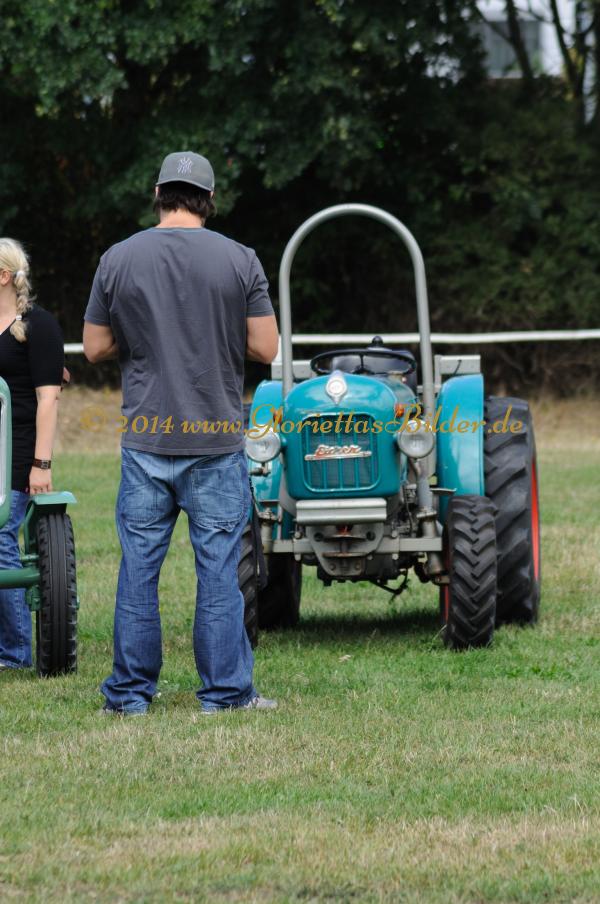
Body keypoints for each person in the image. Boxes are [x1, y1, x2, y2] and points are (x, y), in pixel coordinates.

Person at [83, 151, 279, 715]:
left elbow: (94, 347)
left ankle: (129, 697)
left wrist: (142, 338)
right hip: (215, 440)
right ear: (209, 199)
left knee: (138, 572)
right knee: (218, 573)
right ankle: (225, 695)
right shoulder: (239, 259)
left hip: (147, 438)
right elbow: (266, 347)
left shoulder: (118, 258)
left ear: (157, 193)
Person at [0, 238, 65, 670]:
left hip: (15, 452)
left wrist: (41, 464)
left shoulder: (38, 326)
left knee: (0, 535)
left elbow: (48, 399)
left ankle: (14, 651)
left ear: (4, 276)